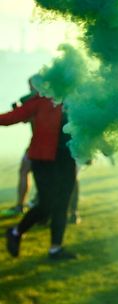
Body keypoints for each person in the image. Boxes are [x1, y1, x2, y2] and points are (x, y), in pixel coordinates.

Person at [1, 88, 77, 260]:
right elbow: (13, 116)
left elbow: (89, 124)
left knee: (62, 205)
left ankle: (55, 249)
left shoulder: (77, 101)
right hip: (44, 161)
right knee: (46, 204)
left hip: (66, 160)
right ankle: (15, 232)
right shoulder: (42, 100)